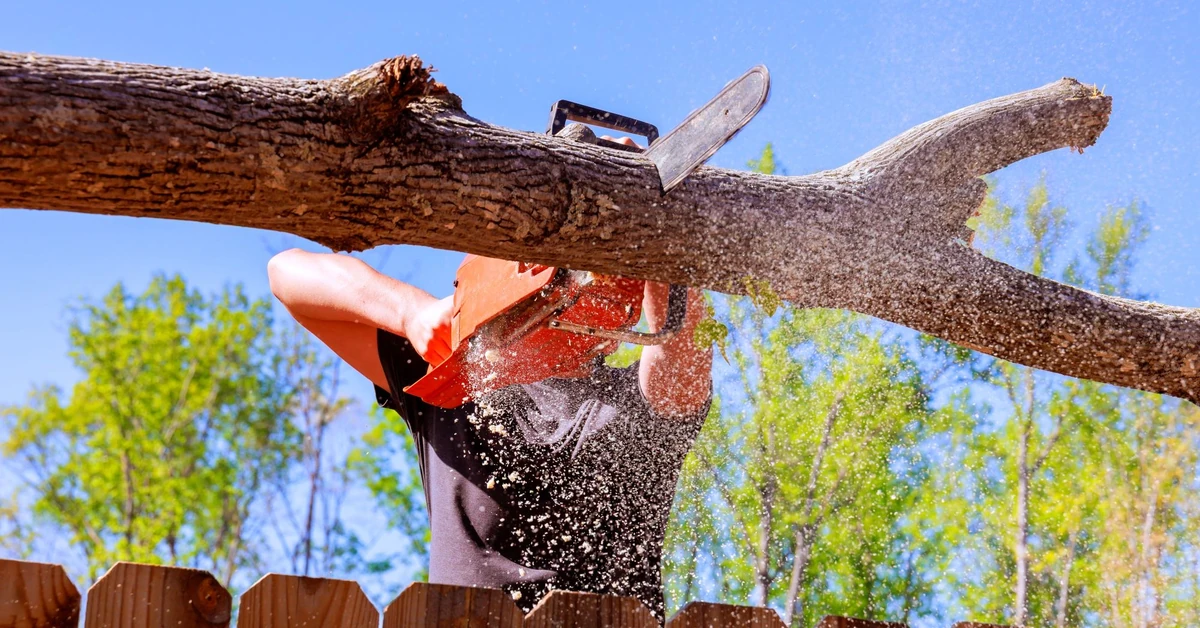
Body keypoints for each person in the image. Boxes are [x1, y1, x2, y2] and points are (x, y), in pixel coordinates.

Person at [268, 167, 711, 619]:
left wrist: (653, 215)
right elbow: (287, 273)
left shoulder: (637, 403)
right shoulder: (452, 385)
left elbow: (684, 346)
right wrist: (411, 312)